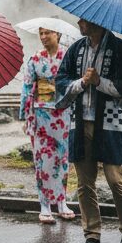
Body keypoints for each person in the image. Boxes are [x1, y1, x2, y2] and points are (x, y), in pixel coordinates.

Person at [55, 18, 122, 243]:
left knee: (115, 178)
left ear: (97, 22)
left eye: (84, 19)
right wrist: (82, 82)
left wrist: (99, 82)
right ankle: (91, 235)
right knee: (84, 182)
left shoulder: (120, 49)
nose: (79, 22)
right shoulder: (77, 49)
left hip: (111, 123)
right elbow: (61, 80)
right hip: (81, 121)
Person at [19, 27, 74, 224]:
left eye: (47, 33)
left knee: (62, 158)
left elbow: (73, 83)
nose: (43, 37)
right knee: (42, 160)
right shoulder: (35, 58)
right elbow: (26, 87)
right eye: (41, 33)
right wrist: (25, 117)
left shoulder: (68, 56)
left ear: (57, 34)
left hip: (62, 112)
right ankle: (44, 204)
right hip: (40, 113)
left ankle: (61, 201)